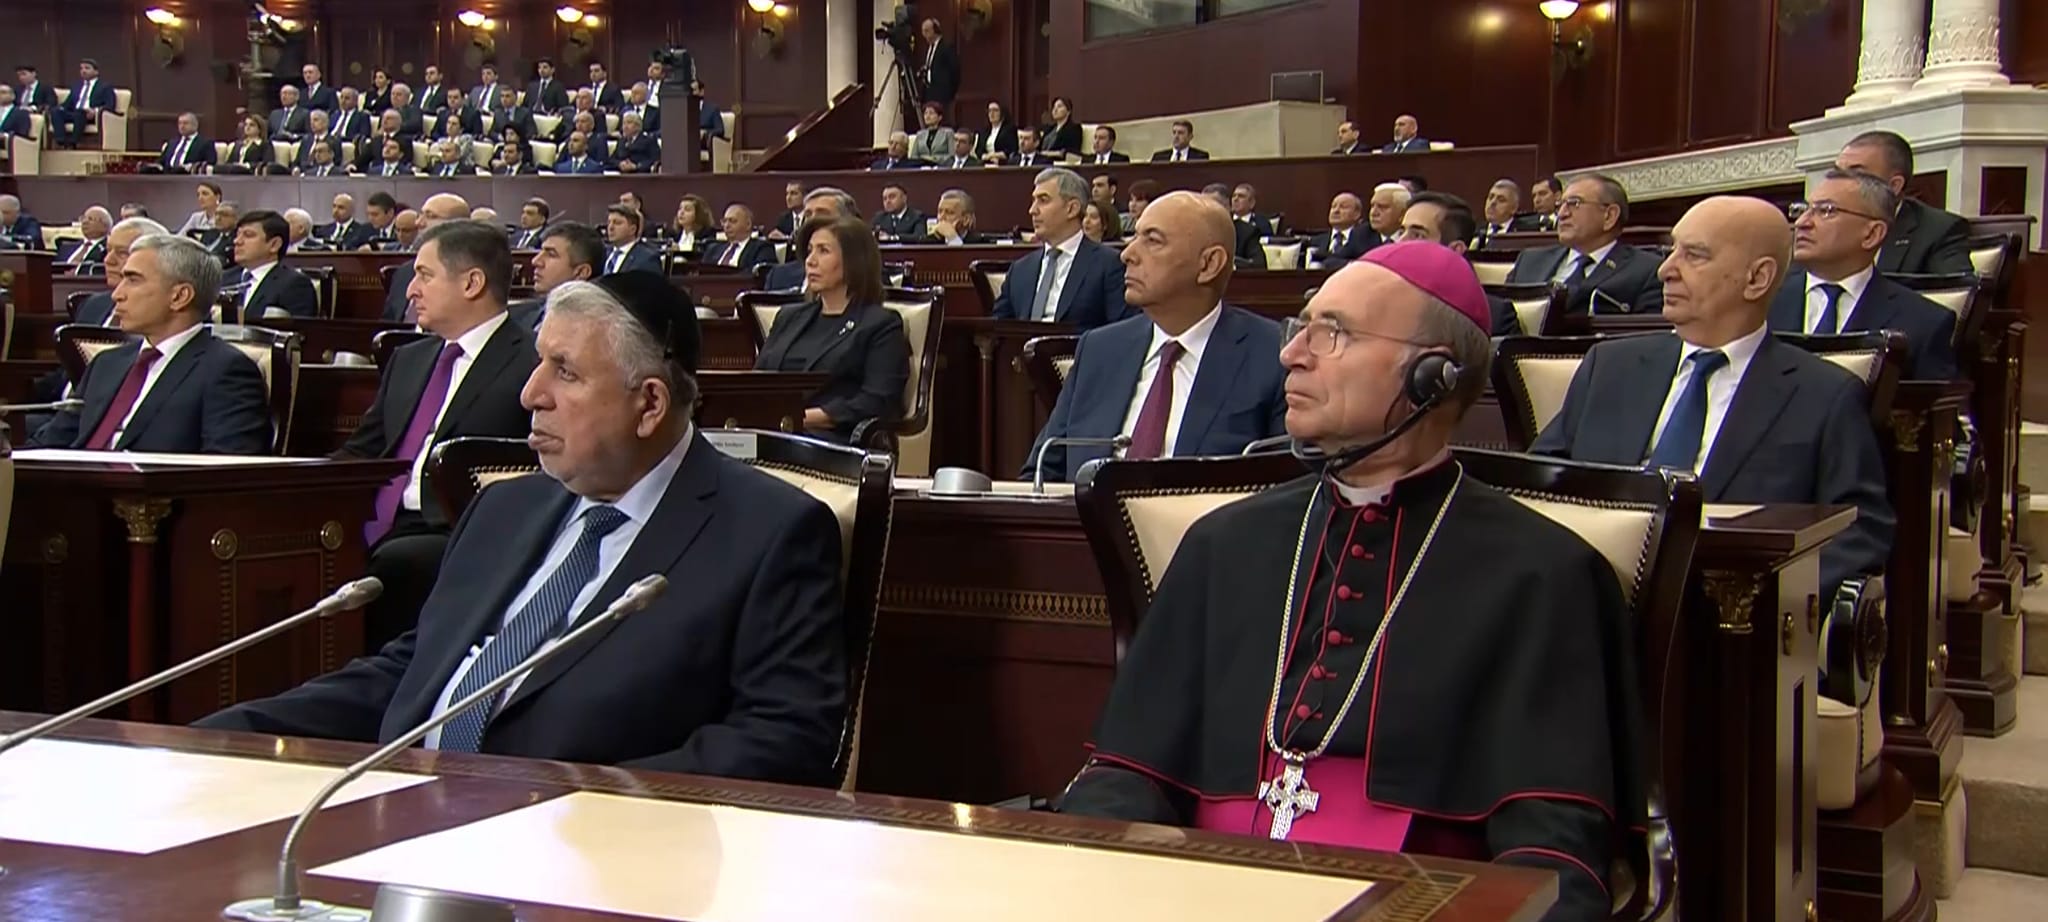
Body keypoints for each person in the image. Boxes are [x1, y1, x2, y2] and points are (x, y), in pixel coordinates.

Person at [1060, 242, 1643, 922]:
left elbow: (1554, 853)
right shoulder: (1224, 543)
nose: (1291, 354)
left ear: (1432, 375)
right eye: (1299, 328)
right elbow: (1129, 773)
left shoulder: (1540, 572)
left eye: (1332, 333)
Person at [197, 271, 851, 786]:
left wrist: (581, 805)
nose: (530, 393)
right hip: (399, 811)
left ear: (649, 402)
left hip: (590, 857)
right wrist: (224, 737)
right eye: (539, 363)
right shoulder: (503, 506)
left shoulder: (768, 531)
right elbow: (420, 670)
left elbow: (784, 738)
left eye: (564, 371)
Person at [1532, 195, 1894, 600]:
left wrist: (1769, 595)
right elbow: (1539, 482)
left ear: (1757, 278)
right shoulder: (1609, 366)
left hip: (1728, 610)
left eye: (1695, 255)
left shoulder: (1824, 394)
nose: (1665, 270)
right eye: (1671, 251)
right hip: (1589, 595)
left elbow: (1861, 529)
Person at [338, 220, 540, 646]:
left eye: (424, 275)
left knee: (393, 562)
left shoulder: (533, 363)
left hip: (455, 527)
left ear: (471, 283)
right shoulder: (408, 359)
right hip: (374, 518)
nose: (410, 290)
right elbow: (362, 450)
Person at [1023, 191, 1286, 482]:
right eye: (1135, 237)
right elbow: (1042, 471)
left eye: (1153, 241)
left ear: (1209, 264)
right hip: (1085, 511)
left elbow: (1291, 492)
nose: (1127, 254)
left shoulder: (1274, 355)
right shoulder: (1099, 349)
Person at [30, 234, 272, 453]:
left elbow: (225, 468)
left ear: (179, 296)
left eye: (133, 280)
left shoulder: (226, 370)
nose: (117, 294)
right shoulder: (106, 363)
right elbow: (52, 441)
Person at [1773, 170, 1957, 380]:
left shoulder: (1924, 321)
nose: (1802, 223)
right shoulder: (1760, 303)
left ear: (1872, 234)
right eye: (1803, 209)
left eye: (1826, 210)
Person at [753, 215, 911, 443]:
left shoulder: (880, 324)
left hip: (831, 440)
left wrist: (798, 418)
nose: (810, 261)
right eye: (810, 250)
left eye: (823, 251)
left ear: (854, 261)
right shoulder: (789, 317)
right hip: (771, 433)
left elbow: (878, 400)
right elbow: (757, 382)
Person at [1506, 173, 1664, 315]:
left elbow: (1645, 333)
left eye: (1574, 203)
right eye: (1560, 205)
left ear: (1609, 216)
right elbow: (1501, 317)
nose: (1562, 214)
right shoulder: (1528, 262)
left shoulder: (1647, 271)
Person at [992, 168, 1129, 328]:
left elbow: (1122, 331)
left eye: (1043, 200)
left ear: (1072, 208)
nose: (1032, 210)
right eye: (1034, 200)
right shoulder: (1020, 269)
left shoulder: (1109, 264)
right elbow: (997, 328)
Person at [1833, 131, 1975, 277]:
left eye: (1856, 174)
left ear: (1894, 185)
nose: (1838, 184)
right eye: (1837, 173)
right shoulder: (1822, 221)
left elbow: (1954, 289)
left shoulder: (1938, 231)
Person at [1400, 192, 1521, 337]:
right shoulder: (1381, 300)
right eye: (1402, 232)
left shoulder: (1494, 317)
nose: (1400, 243)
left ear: (1455, 250)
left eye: (1417, 235)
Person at [383, 194, 471, 321]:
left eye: (430, 216)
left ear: (459, 225)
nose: (418, 223)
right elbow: (387, 322)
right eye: (420, 215)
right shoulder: (404, 272)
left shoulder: (467, 273)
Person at [223, 210, 320, 320]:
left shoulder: (295, 285)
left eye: (248, 235)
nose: (237, 241)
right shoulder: (223, 279)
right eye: (237, 235)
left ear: (274, 244)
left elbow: (298, 329)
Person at [764, 188, 860, 290]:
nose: (812, 221)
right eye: (808, 215)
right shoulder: (778, 277)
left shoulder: (863, 278)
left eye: (822, 214)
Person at [516, 221, 605, 331]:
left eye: (551, 254)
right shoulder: (518, 316)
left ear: (581, 272)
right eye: (540, 252)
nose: (535, 261)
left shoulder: (596, 329)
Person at [48, 58, 117, 149]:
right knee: (56, 111)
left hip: (90, 115)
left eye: (87, 68)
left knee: (80, 113)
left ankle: (73, 142)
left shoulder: (105, 87)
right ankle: (61, 141)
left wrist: (95, 111)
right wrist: (60, 108)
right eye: (81, 68)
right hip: (74, 113)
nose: (83, 71)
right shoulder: (77, 86)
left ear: (96, 72)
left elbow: (110, 105)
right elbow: (68, 103)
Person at [1307, 193, 1370, 268]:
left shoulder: (1366, 240)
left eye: (1343, 207)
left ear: (1357, 214)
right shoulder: (1314, 242)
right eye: (1333, 206)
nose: (1336, 211)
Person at [706, 205, 776, 270]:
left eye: (732, 221)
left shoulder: (762, 248)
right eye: (724, 221)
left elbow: (760, 273)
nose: (726, 226)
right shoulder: (713, 249)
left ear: (748, 224)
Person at [601, 205, 662, 275]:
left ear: (632, 229)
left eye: (617, 223)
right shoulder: (603, 254)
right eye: (609, 222)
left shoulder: (647, 259)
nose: (610, 227)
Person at [917, 189, 992, 245]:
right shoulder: (927, 242)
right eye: (939, 212)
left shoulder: (980, 243)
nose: (941, 217)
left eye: (950, 213)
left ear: (966, 219)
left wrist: (952, 238)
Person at [917, 19, 960, 109]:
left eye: (927, 31)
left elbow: (955, 70)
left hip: (942, 95)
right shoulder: (928, 48)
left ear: (935, 30)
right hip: (928, 93)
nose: (924, 34)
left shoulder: (946, 47)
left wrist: (950, 92)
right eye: (923, 31)